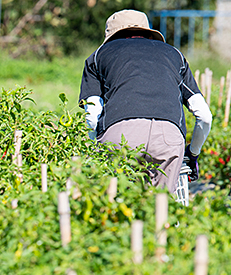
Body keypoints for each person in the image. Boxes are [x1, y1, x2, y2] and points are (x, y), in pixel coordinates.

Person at [79, 9, 212, 193]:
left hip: (120, 137)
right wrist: (193, 154)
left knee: (117, 206)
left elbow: (92, 117)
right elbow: (204, 116)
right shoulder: (175, 55)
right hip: (168, 138)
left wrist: (94, 154)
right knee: (161, 209)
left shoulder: (98, 56)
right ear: (148, 32)